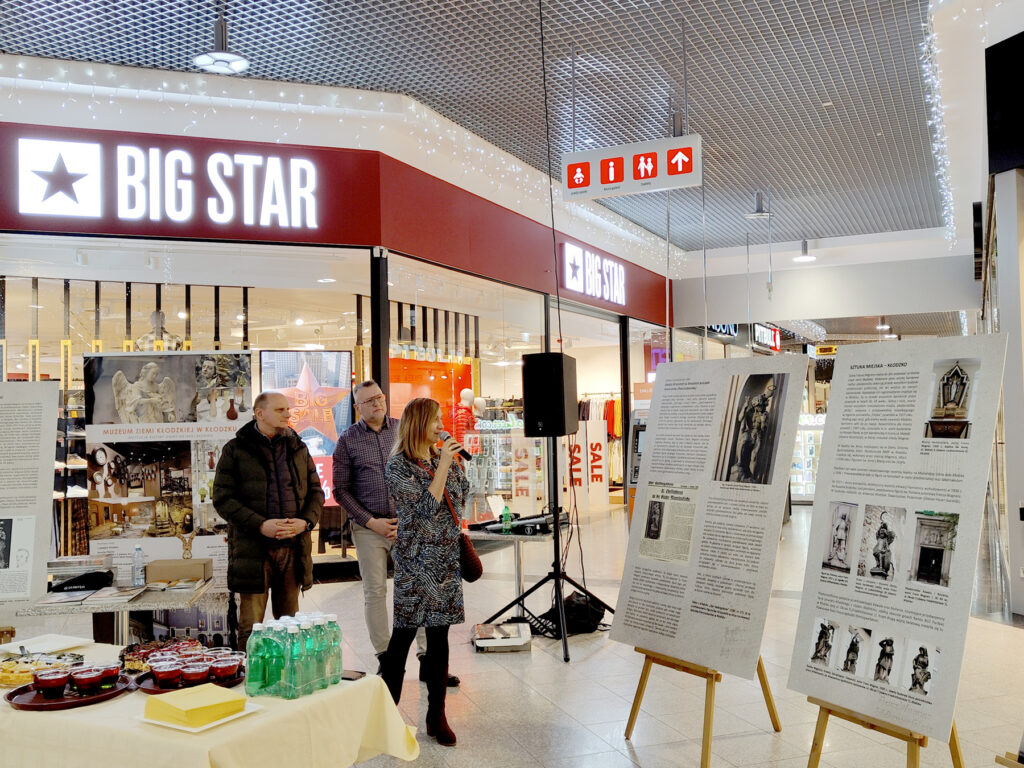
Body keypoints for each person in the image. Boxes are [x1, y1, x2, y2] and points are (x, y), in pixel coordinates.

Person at [332, 380, 458, 686]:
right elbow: (341, 490)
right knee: (375, 591)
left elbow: (427, 469)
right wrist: (370, 521)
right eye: (369, 401)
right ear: (357, 408)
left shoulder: (405, 428)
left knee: (422, 589)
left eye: (379, 397)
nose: (377, 403)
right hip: (370, 528)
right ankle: (386, 659)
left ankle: (428, 660)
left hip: (412, 524)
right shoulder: (348, 441)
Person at [379, 398, 469, 747]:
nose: (441, 426)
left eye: (441, 419)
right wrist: (444, 466)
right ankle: (385, 715)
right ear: (418, 424)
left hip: (444, 560)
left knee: (439, 637)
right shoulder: (397, 466)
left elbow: (460, 498)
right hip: (415, 563)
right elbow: (424, 511)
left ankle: (436, 714)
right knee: (402, 637)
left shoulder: (440, 458)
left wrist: (450, 465)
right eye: (435, 420)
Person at [213, 391, 323, 650]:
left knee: (289, 625)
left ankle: (287, 672)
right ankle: (249, 674)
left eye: (287, 409)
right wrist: (260, 525)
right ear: (259, 414)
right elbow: (223, 499)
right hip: (253, 552)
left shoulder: (298, 447)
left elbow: (316, 492)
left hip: (293, 549)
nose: (288, 414)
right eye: (280, 409)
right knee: (251, 628)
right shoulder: (235, 450)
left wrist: (305, 523)